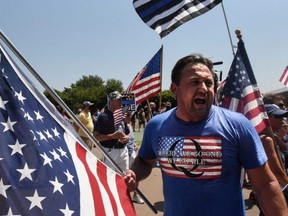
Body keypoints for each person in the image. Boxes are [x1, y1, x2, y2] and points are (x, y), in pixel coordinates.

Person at [125, 54, 288, 216]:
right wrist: (134, 174)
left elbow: (265, 185)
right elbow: (145, 161)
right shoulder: (156, 126)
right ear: (175, 89)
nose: (203, 88)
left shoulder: (238, 125)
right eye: (194, 82)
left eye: (208, 83)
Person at [93, 91, 130, 172]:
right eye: (119, 100)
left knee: (125, 176)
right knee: (109, 176)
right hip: (110, 151)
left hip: (123, 150)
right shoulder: (103, 116)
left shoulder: (122, 114)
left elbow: (127, 132)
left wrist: (127, 137)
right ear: (112, 101)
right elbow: (96, 136)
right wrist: (112, 136)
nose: (121, 102)